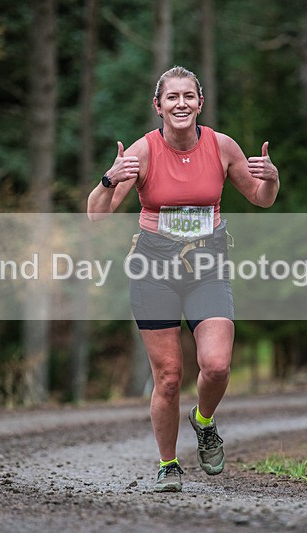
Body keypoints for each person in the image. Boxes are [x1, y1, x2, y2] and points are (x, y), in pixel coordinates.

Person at [87, 65, 279, 492]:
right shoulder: (144, 152)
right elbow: (96, 215)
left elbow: (261, 198)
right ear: (158, 106)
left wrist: (273, 178)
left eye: (188, 96)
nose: (180, 104)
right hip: (153, 269)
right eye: (171, 97)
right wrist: (108, 179)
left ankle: (205, 421)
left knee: (216, 365)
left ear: (200, 103)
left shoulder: (222, 146)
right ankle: (168, 464)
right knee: (170, 377)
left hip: (207, 265)